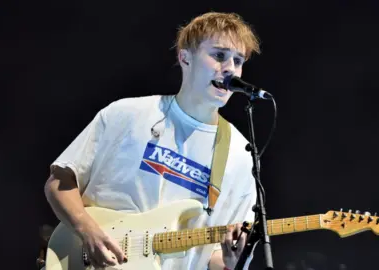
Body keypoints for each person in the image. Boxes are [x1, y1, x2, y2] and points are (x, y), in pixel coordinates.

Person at [44, 11, 261, 270]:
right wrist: (87, 230)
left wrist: (230, 262)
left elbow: (210, 258)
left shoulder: (240, 154)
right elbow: (59, 182)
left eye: (238, 61)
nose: (230, 68)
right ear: (185, 57)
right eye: (219, 55)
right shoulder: (125, 114)